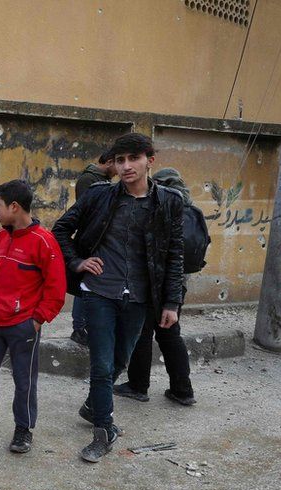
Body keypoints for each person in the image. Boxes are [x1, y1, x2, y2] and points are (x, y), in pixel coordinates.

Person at [53, 133, 185, 463]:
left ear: (149, 160)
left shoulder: (169, 201)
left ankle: (93, 405)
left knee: (120, 361)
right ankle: (104, 429)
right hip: (99, 292)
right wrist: (77, 262)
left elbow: (174, 255)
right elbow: (60, 229)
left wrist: (171, 303)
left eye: (132, 159)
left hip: (140, 297)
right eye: (119, 160)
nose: (125, 166)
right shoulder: (99, 196)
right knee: (100, 365)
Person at [0, 180, 66, 454]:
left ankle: (23, 430)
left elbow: (56, 287)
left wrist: (38, 318)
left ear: (14, 207)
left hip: (23, 326)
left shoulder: (44, 241)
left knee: (24, 379)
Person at [114, 168, 196, 406]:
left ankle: (138, 385)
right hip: (177, 284)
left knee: (142, 333)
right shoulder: (188, 207)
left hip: (154, 283)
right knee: (170, 335)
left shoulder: (162, 205)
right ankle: (183, 389)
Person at [70, 152, 118, 346]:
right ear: (108, 162)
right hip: (90, 240)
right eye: (118, 162)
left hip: (98, 239)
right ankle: (79, 328)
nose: (120, 169)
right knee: (84, 285)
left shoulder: (102, 180)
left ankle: (86, 326)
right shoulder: (89, 180)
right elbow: (88, 212)